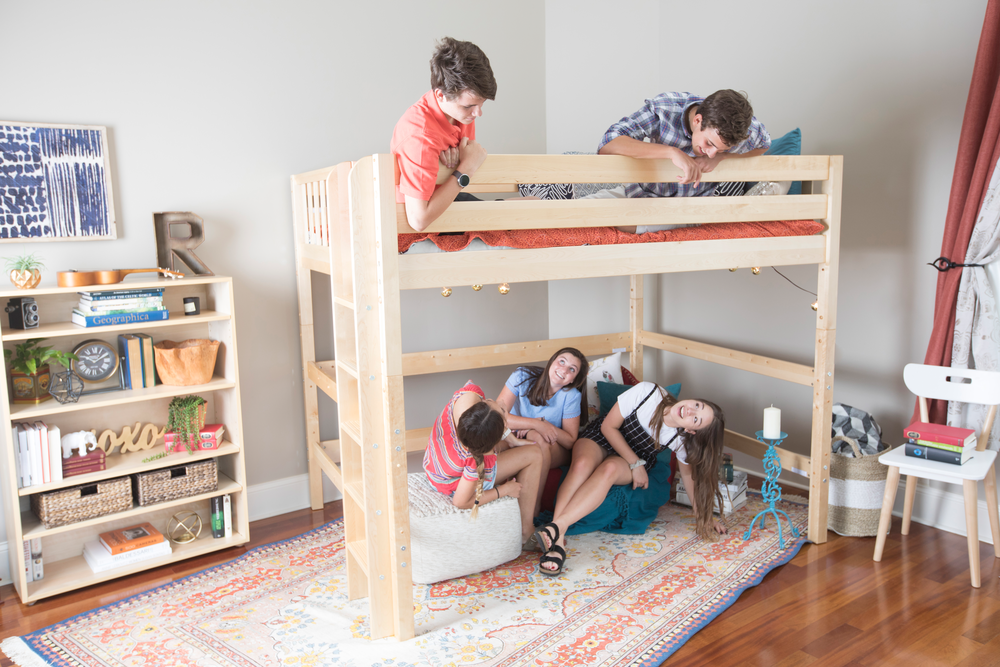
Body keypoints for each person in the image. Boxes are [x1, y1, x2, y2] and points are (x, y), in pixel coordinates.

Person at [533, 381, 725, 576]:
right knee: (581, 465)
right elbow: (609, 427)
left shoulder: (681, 439)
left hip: (633, 457)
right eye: (698, 406)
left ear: (691, 431)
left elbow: (688, 476)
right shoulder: (649, 392)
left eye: (696, 419)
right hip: (605, 436)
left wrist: (703, 516)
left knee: (609, 469)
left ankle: (555, 529)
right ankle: (558, 541)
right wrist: (635, 464)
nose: (691, 411)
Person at [390, 37, 495, 232]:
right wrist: (465, 169)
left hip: (449, 198)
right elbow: (418, 220)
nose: (478, 113)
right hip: (419, 214)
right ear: (440, 95)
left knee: (530, 204)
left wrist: (456, 165)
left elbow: (467, 152)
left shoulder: (462, 115)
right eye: (469, 106)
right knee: (509, 221)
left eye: (481, 104)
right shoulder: (420, 135)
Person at [596, 90, 770, 205]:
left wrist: (723, 157)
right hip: (646, 196)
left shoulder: (746, 129)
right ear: (697, 121)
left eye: (721, 148)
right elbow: (608, 143)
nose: (710, 154)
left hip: (696, 206)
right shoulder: (665, 109)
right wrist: (671, 152)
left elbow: (764, 145)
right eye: (709, 143)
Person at [423, 380, 544, 545]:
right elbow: (460, 501)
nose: (499, 402)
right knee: (534, 454)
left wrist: (511, 439)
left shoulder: (468, 398)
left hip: (437, 464)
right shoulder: (475, 460)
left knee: (513, 447)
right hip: (450, 482)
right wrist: (504, 490)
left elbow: (486, 419)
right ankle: (525, 531)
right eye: (503, 411)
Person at [495, 348, 590, 515]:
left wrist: (542, 426)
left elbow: (570, 441)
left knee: (536, 436)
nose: (564, 370)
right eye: (562, 361)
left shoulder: (571, 395)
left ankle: (533, 509)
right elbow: (499, 415)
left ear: (573, 380)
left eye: (572, 369)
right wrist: (536, 423)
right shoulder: (522, 376)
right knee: (494, 439)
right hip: (517, 436)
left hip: (554, 447)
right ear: (551, 361)